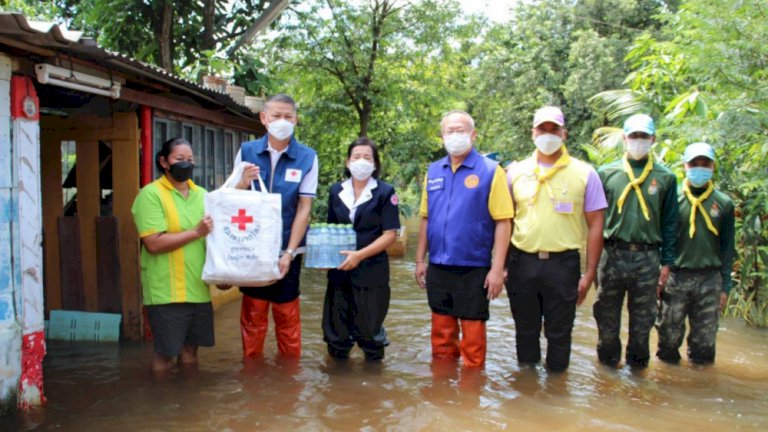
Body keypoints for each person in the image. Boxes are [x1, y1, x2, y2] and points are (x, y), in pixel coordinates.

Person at [505, 106, 607, 372]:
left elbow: (596, 224)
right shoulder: (515, 172)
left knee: (560, 334)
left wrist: (589, 273)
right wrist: (501, 265)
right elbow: (504, 222)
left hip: (563, 265)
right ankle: (527, 393)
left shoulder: (585, 173)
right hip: (522, 262)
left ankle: (557, 390)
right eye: (542, 129)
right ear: (532, 133)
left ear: (564, 134)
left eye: (554, 129)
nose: (547, 135)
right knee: (524, 331)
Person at [415, 110, 514, 368]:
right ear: (442, 137)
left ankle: (470, 401)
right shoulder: (434, 170)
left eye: (461, 130)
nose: (455, 135)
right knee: (441, 340)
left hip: (474, 268)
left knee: (473, 344)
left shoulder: (492, 171)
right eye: (450, 131)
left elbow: (503, 222)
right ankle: (443, 394)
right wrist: (419, 260)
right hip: (438, 266)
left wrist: (497, 269)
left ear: (473, 135)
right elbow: (425, 218)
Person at [234, 94, 318, 358]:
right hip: (252, 246)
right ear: (264, 118)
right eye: (276, 116)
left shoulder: (307, 158)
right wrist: (241, 182)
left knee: (286, 315)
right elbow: (234, 199)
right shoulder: (247, 152)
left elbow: (304, 208)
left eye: (288, 117)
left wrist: (289, 253)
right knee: (253, 313)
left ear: (296, 120)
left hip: (287, 247)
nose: (282, 121)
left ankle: (289, 378)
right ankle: (251, 372)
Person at [594, 113, 678, 368]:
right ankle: (605, 381)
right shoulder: (606, 173)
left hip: (647, 257)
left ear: (653, 139)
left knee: (642, 327)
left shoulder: (665, 178)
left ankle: (637, 383)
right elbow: (595, 220)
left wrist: (667, 262)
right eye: (634, 136)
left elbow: (670, 223)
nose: (639, 141)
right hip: (612, 254)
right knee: (607, 323)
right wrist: (593, 262)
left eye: (644, 136)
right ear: (624, 138)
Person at [131, 137, 214, 372]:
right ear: (164, 162)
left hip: (198, 289)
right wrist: (196, 232)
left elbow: (214, 242)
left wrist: (222, 274)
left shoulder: (202, 195)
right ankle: (163, 402)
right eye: (179, 159)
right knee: (166, 354)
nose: (186, 164)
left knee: (190, 352)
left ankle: (188, 401)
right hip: (166, 292)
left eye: (190, 160)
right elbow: (153, 244)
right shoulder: (151, 195)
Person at [322, 138, 400, 361]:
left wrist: (360, 255)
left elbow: (390, 235)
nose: (361, 161)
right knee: (336, 333)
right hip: (340, 271)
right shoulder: (336, 191)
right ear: (348, 162)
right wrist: (323, 259)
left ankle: (373, 386)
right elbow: (329, 230)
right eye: (356, 157)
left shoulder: (385, 192)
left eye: (368, 157)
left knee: (370, 333)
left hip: (371, 272)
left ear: (375, 164)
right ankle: (337, 386)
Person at [657, 143, 735, 365]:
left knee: (704, 345)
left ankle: (701, 390)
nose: (700, 168)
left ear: (713, 166)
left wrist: (725, 287)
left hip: (709, 279)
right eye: (694, 164)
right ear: (685, 166)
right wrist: (659, 276)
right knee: (668, 341)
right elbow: (662, 238)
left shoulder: (724, 203)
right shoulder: (672, 199)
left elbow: (728, 248)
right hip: (676, 276)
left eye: (705, 164)